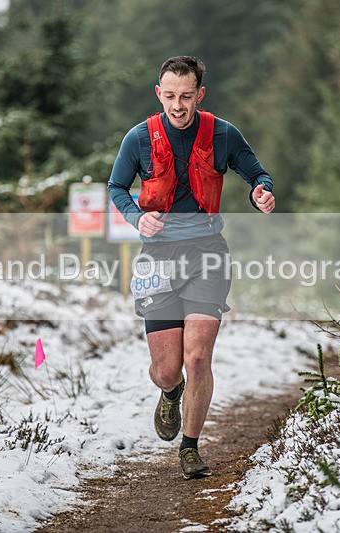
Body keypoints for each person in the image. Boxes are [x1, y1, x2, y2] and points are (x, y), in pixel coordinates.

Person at [107, 55, 275, 479]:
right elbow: (116, 187)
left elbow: (258, 174)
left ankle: (190, 446)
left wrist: (262, 192)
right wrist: (135, 216)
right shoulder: (139, 138)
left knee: (198, 358)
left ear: (199, 94)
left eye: (185, 96)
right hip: (157, 256)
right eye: (169, 96)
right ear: (158, 93)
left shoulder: (223, 134)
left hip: (208, 254)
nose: (177, 105)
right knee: (168, 369)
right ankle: (171, 392)